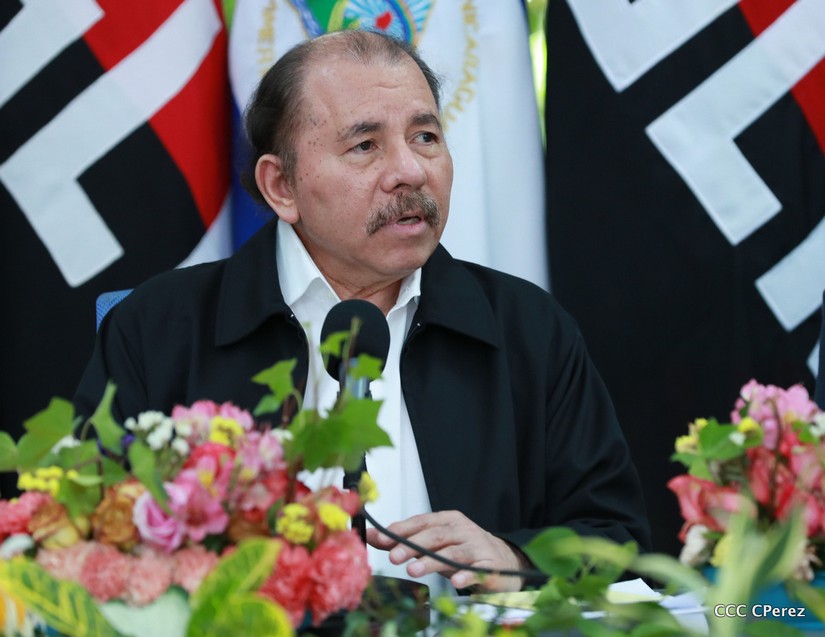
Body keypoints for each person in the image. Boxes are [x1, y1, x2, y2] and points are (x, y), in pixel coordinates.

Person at [74, 29, 650, 595]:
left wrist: (517, 558)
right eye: (366, 146)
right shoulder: (159, 329)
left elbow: (617, 542)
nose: (411, 170)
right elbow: (86, 540)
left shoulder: (527, 329)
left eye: (425, 136)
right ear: (281, 186)